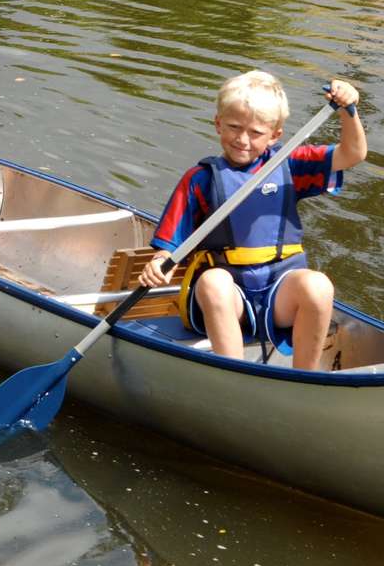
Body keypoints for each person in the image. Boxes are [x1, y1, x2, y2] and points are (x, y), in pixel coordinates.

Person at [137, 70, 367, 370]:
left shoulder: (290, 165)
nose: (242, 139)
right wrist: (158, 263)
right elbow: (169, 243)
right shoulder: (200, 179)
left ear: (275, 135)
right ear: (218, 124)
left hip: (279, 294)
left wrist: (349, 110)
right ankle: (234, 373)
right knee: (213, 281)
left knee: (318, 286)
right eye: (234, 127)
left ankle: (305, 378)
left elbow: (353, 153)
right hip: (226, 299)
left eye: (256, 132)